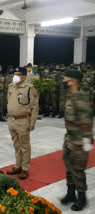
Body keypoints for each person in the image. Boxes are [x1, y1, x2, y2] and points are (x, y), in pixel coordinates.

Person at [60, 69, 93, 211]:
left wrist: (87, 142)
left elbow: (87, 121)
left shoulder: (81, 97)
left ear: (73, 81)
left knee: (78, 170)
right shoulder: (71, 95)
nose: (64, 81)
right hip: (69, 138)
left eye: (65, 79)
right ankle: (70, 193)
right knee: (68, 167)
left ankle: (82, 197)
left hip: (79, 140)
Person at [6, 67, 39, 180]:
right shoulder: (11, 87)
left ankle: (25, 169)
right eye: (14, 74)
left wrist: (32, 123)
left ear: (24, 76)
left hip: (23, 121)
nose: (15, 76)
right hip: (12, 120)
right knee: (16, 146)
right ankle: (18, 166)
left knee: (24, 146)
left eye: (18, 74)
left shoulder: (30, 88)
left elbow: (35, 107)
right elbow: (9, 102)